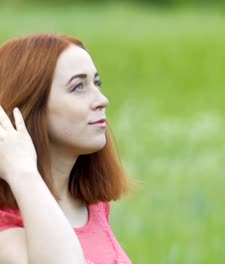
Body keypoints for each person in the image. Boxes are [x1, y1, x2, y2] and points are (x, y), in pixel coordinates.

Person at [0, 33, 132, 264]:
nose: (102, 100)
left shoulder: (94, 207)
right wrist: (22, 171)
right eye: (78, 86)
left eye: (96, 83)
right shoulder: (6, 226)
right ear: (29, 107)